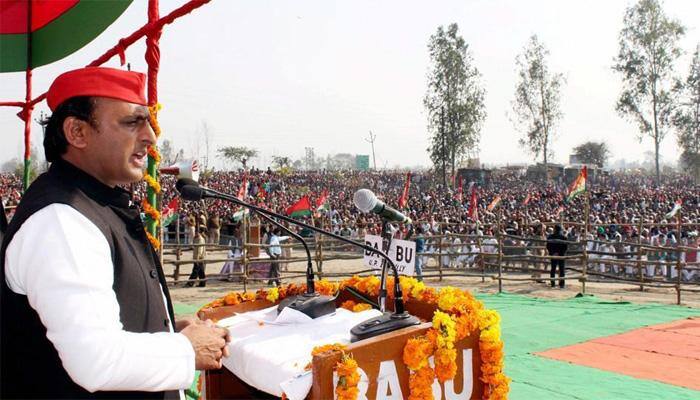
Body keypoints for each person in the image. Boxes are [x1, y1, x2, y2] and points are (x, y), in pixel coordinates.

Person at [1, 67, 230, 398]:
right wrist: (184, 349)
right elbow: (97, 360)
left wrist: (164, 328)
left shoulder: (95, 201)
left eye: (148, 122)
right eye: (131, 122)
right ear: (77, 132)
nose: (150, 137)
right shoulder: (61, 219)